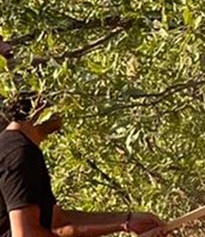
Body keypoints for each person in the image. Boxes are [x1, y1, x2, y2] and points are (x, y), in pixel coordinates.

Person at [2, 92, 162, 237]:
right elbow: (25, 234)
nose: (64, 113)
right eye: (61, 104)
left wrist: (127, 221)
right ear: (40, 106)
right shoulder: (19, 153)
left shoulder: (12, 147)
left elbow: (59, 223)